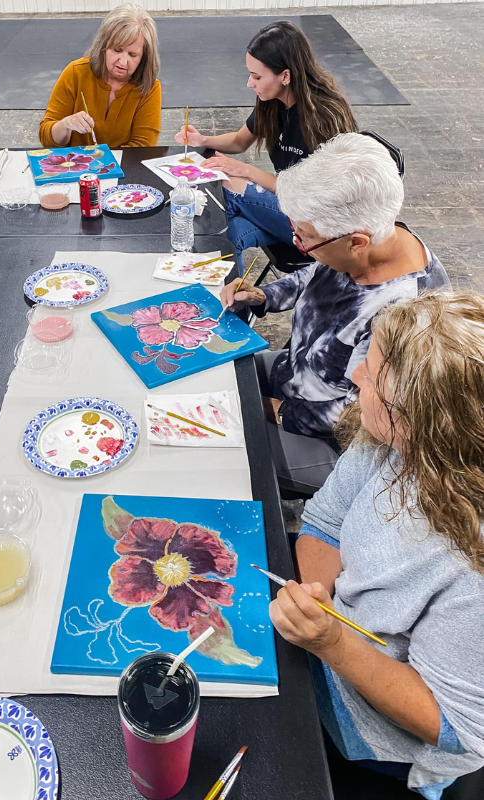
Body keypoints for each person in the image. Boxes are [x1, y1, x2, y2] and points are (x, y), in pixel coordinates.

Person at [269, 290, 484, 797]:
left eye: (374, 372)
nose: (355, 375)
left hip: (372, 740)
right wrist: (316, 602)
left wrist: (329, 642)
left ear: (422, 415)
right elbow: (324, 521)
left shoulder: (471, 568)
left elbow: (453, 726)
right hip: (326, 647)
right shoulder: (393, 445)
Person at [220, 133, 450, 493]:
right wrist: (262, 295)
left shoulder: (406, 314)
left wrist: (274, 410)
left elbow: (353, 414)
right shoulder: (370, 238)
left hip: (337, 444)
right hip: (300, 373)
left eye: (305, 238)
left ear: (357, 241)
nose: (299, 246)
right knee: (218, 370)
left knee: (222, 437)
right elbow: (315, 272)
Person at [175, 21, 357, 272]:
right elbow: (240, 140)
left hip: (320, 225)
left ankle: (181, 246)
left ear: (285, 75)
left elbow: (316, 196)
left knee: (228, 186)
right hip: (287, 207)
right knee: (226, 236)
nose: (250, 83)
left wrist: (248, 171)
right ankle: (232, 306)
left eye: (256, 76)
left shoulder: (324, 118)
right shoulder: (273, 101)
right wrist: (203, 140)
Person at [39, 4, 161, 150]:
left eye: (132, 55)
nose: (122, 62)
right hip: (73, 168)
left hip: (122, 171)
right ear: (103, 46)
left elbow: (142, 149)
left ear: (144, 56)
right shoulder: (75, 72)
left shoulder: (150, 88)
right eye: (117, 50)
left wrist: (103, 165)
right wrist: (66, 124)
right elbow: (46, 139)